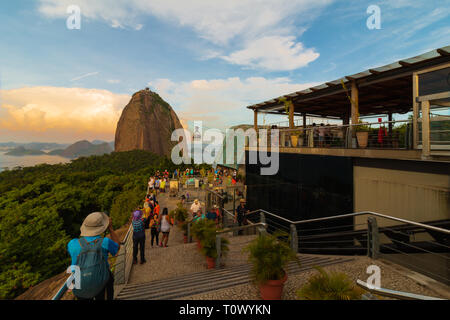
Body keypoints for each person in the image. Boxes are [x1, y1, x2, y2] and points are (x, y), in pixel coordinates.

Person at [67, 212, 120, 300]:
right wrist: (110, 228)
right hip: (101, 282)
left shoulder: (72, 243)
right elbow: (117, 246)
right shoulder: (105, 242)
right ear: (103, 227)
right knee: (108, 281)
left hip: (80, 284)